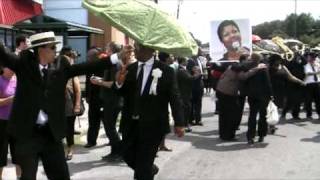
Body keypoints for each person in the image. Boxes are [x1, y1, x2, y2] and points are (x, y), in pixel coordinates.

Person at [0, 31, 118, 180]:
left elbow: (85, 67)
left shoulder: (60, 67)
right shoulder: (23, 64)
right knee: (27, 177)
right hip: (27, 135)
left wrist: (115, 58)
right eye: (52, 47)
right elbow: (3, 54)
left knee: (61, 175)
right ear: (40, 49)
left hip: (51, 134)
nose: (55, 51)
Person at [116, 43, 184, 180]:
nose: (135, 50)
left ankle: (146, 169)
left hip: (153, 124)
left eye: (138, 48)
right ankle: (149, 169)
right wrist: (119, 81)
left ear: (150, 50)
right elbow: (122, 93)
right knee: (126, 154)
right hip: (130, 123)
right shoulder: (130, 68)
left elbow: (175, 97)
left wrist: (179, 122)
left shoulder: (166, 71)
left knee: (143, 166)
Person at [60, 47, 82, 160]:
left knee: (69, 128)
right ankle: (60, 149)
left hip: (69, 105)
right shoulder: (57, 70)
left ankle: (70, 149)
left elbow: (78, 90)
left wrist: (77, 105)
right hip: (58, 105)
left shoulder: (72, 73)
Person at [0, 67, 21, 179]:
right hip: (2, 122)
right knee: (1, 154)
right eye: (10, 67)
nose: (13, 69)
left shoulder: (17, 80)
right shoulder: (0, 80)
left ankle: (20, 177)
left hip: (16, 122)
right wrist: (11, 99)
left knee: (19, 154)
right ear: (3, 68)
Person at [84, 46, 105, 148]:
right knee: (92, 121)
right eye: (87, 56)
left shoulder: (103, 67)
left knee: (107, 122)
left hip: (102, 98)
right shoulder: (89, 67)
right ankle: (91, 141)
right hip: (92, 99)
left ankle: (112, 140)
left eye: (90, 56)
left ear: (96, 57)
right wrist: (87, 96)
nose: (87, 58)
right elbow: (88, 84)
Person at [303, 52, 320, 119]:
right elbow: (308, 73)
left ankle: (319, 113)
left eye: (313, 57)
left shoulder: (317, 64)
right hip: (309, 84)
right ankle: (309, 114)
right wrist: (317, 72)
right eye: (310, 57)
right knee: (308, 100)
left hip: (317, 83)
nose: (312, 59)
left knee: (318, 100)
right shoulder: (306, 65)